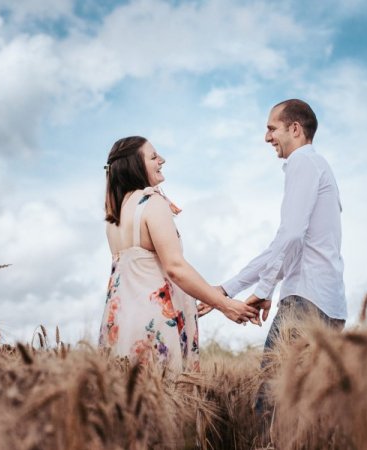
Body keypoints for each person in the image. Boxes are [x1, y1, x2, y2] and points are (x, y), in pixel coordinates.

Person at [212, 99, 347, 429]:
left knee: (272, 407)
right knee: (311, 414)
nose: (266, 137)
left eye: (272, 128)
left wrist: (264, 288)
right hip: (328, 304)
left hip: (305, 301)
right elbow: (287, 244)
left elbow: (290, 238)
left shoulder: (303, 164)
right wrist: (227, 289)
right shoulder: (320, 167)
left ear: (295, 129)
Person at [98, 136, 258, 373]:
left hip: (119, 325)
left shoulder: (115, 217)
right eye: (153, 157)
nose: (162, 160)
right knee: (164, 403)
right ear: (135, 165)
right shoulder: (151, 203)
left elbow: (145, 272)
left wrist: (205, 292)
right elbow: (174, 266)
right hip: (154, 328)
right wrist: (225, 305)